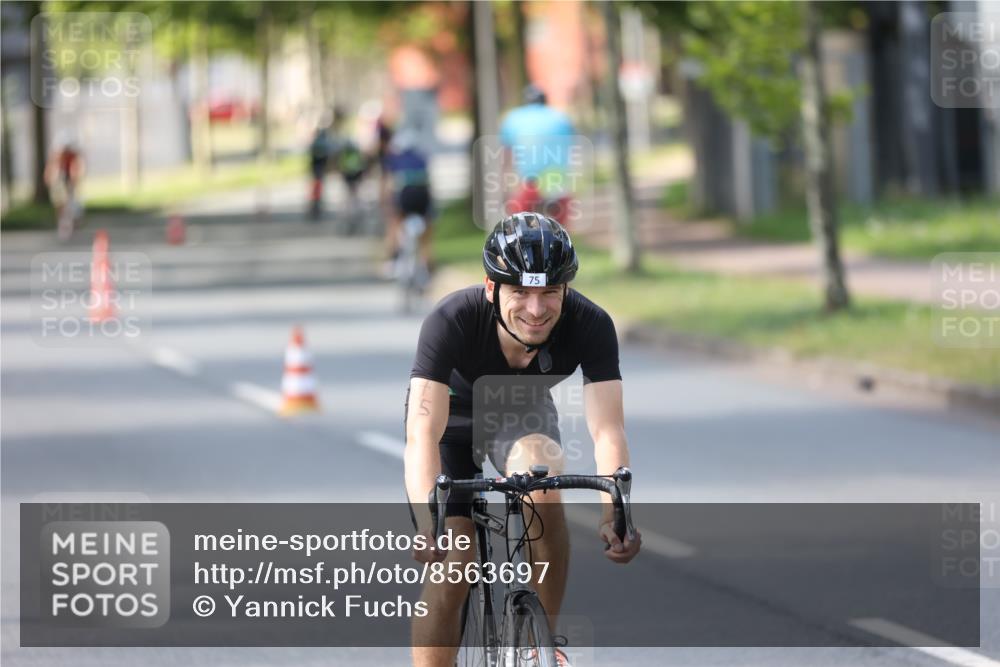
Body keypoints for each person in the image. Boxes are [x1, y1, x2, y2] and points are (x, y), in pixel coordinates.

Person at [404, 213, 641, 667]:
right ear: (492, 289)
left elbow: (607, 429)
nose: (536, 309)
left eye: (550, 292)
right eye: (520, 293)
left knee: (545, 487)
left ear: (566, 290)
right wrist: (427, 518)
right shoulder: (451, 320)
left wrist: (618, 513)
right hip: (449, 423)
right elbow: (421, 435)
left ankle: (541, 643)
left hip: (521, 412)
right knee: (456, 562)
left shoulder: (590, 324)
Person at [499, 84, 577, 228]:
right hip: (556, 177)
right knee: (560, 226)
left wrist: (505, 186)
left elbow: (507, 154)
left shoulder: (513, 118)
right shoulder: (561, 117)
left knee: (519, 225)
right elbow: (571, 148)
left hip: (529, 179)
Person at [383, 129, 433, 272]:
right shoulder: (421, 158)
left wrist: (386, 203)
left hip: (405, 195)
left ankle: (393, 257)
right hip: (423, 195)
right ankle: (427, 262)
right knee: (427, 229)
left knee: (395, 221)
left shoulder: (395, 159)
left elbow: (388, 184)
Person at [44, 140, 85, 240]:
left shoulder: (72, 157)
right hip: (59, 182)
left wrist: (74, 181)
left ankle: (71, 224)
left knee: (70, 204)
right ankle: (64, 225)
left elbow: (75, 170)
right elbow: (50, 172)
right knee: (60, 205)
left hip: (68, 182)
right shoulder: (56, 158)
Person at [307, 124, 332, 220]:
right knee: (318, 189)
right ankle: (316, 206)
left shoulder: (315, 143)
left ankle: (315, 206)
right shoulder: (324, 144)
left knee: (315, 189)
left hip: (315, 170)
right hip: (320, 170)